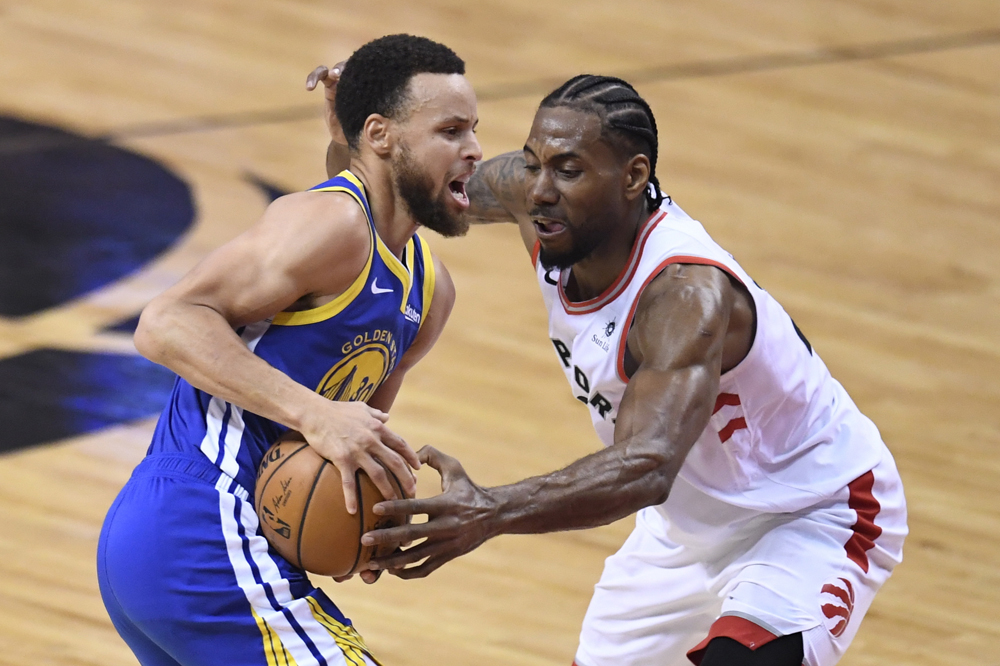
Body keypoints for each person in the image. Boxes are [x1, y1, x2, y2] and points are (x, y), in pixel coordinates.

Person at [342, 74, 908, 666]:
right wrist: (357, 133)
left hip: (811, 510)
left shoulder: (685, 295)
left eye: (568, 170)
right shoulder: (537, 203)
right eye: (534, 163)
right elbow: (412, 189)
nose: (539, 190)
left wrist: (491, 510)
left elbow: (649, 465)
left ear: (634, 177)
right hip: (685, 528)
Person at [96, 34, 482, 666]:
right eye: (450, 130)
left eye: (473, 130)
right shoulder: (331, 224)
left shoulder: (429, 290)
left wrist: (369, 526)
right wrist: (314, 413)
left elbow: (357, 440)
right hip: (204, 524)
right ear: (382, 135)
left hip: (212, 545)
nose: (474, 150)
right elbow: (165, 322)